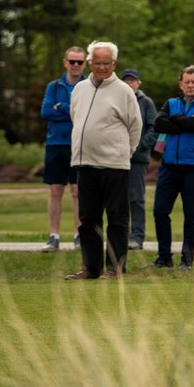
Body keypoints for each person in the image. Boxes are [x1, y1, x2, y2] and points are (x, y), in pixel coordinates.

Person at [65, 42, 141, 279]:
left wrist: (123, 153)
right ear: (90, 63)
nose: (101, 67)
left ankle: (115, 269)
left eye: (106, 64)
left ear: (114, 64)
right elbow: (75, 117)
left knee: (117, 219)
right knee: (88, 219)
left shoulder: (124, 91)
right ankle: (91, 268)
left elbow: (135, 127)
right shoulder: (79, 89)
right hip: (85, 163)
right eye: (97, 63)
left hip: (114, 166)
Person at [150, 65, 194, 270]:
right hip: (168, 166)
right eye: (186, 82)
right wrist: (186, 122)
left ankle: (186, 260)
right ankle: (164, 258)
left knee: (191, 215)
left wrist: (177, 121)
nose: (190, 85)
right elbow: (158, 124)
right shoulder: (171, 103)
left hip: (193, 168)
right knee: (160, 211)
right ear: (180, 84)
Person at [40, 46, 87, 251]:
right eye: (72, 61)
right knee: (55, 190)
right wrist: (70, 111)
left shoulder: (89, 85)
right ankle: (54, 235)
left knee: (78, 190)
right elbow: (46, 111)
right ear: (65, 62)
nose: (75, 65)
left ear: (85, 63)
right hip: (56, 144)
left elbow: (84, 114)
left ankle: (79, 234)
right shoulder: (54, 86)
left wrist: (63, 107)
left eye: (80, 62)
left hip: (80, 144)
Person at [120, 69, 158, 250]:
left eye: (132, 81)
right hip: (117, 157)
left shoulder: (146, 103)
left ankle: (137, 236)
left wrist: (141, 144)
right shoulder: (117, 100)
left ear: (138, 83)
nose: (129, 84)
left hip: (138, 158)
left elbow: (154, 128)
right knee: (119, 199)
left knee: (136, 198)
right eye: (126, 80)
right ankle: (121, 235)